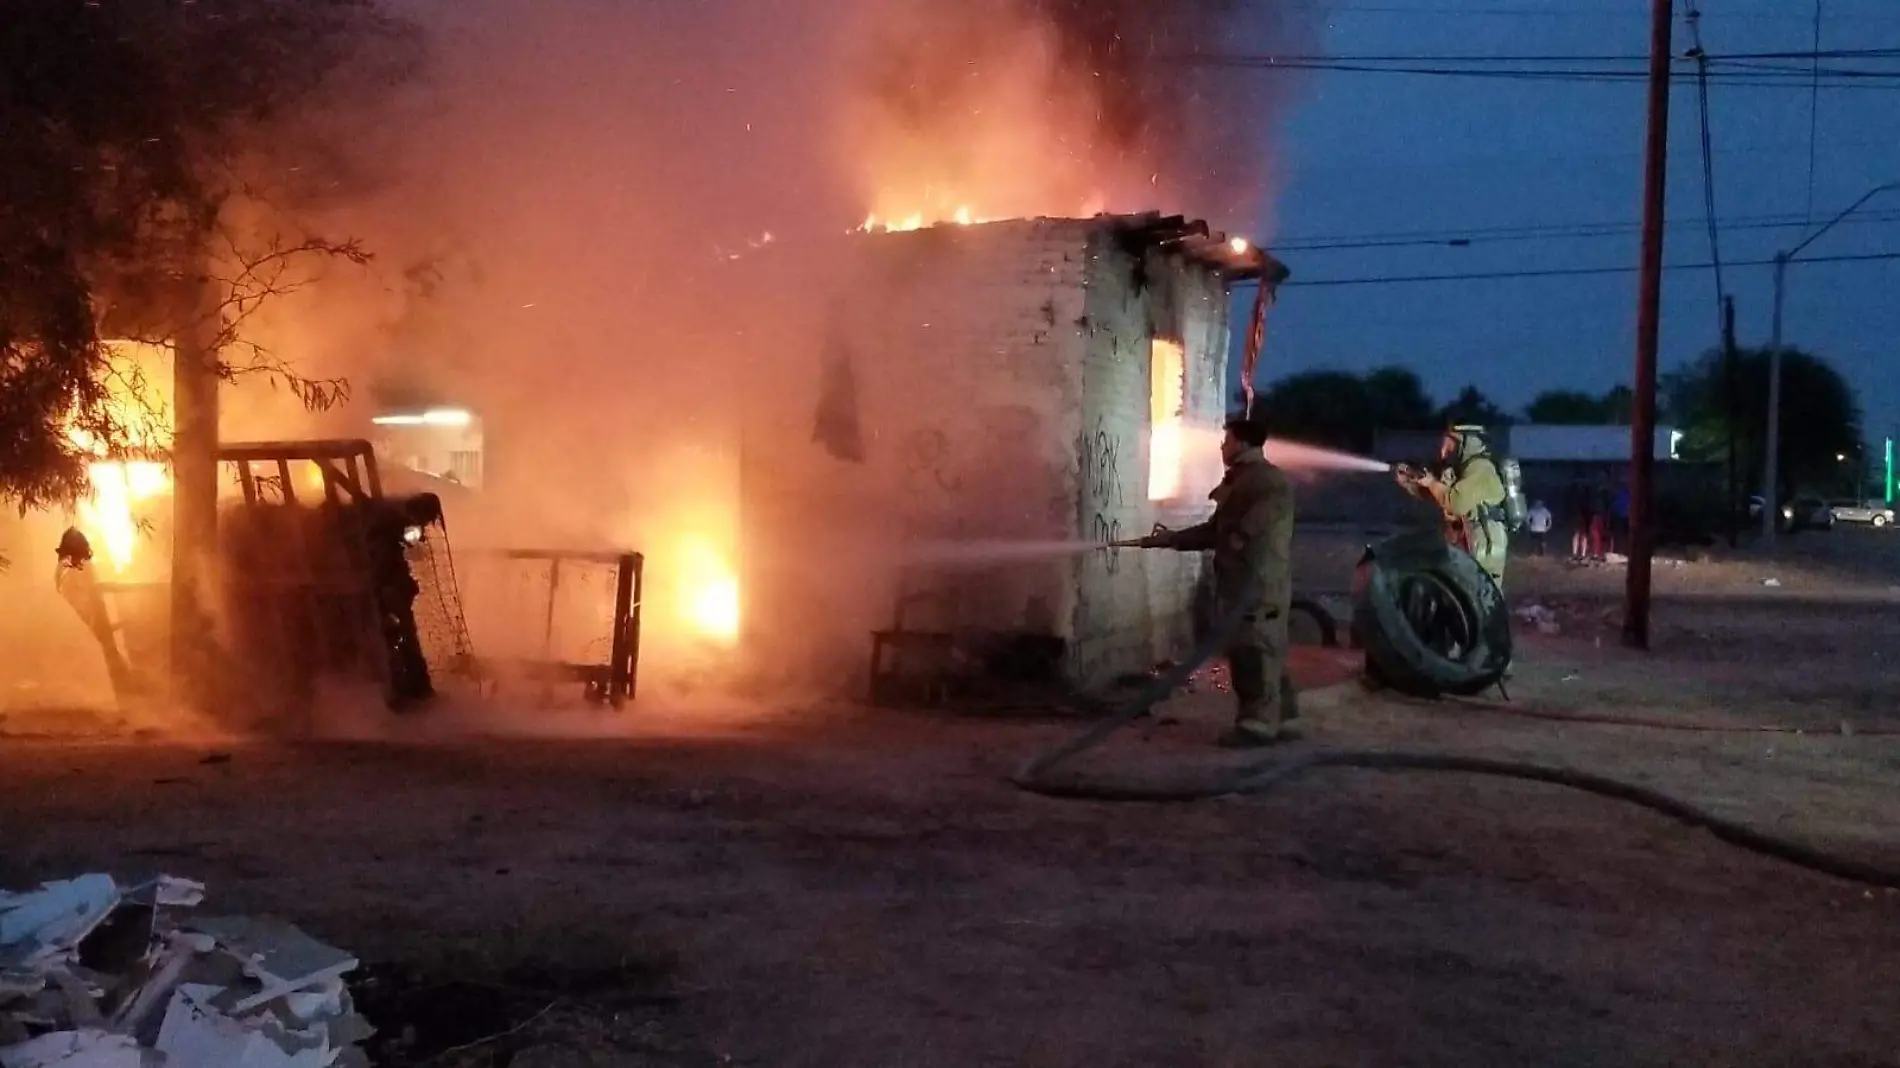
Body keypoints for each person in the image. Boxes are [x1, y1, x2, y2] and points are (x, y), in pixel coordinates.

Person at [1122, 414, 1296, 748]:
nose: (1221, 446)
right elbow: (1216, 530)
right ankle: (1286, 719)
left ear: (1242, 443)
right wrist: (1170, 540)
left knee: (1254, 652)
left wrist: (1240, 537)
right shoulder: (1245, 479)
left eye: (1226, 440)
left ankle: (1257, 726)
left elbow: (1255, 521)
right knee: (1263, 649)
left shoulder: (1267, 481)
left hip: (1256, 585)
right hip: (1244, 584)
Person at [1396, 424, 1510, 590]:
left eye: (1449, 445)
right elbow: (1438, 494)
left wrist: (1431, 483)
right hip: (1467, 538)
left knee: (1479, 595)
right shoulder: (1461, 469)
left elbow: (1455, 502)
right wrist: (1409, 481)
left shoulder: (1481, 468)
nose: (1443, 452)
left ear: (1466, 443)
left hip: (1485, 541)